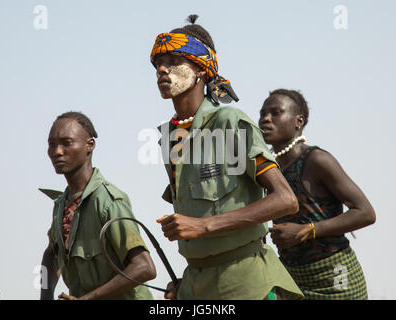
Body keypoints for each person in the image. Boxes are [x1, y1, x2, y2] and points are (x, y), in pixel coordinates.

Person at [151, 15, 303, 300]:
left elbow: (286, 200)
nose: (162, 69)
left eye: (173, 62)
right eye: (158, 63)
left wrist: (203, 226)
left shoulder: (229, 122)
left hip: (245, 282)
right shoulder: (170, 138)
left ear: (201, 69)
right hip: (195, 285)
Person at [259, 89, 376, 299]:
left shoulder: (316, 161)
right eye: (263, 113)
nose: (265, 119)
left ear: (298, 121)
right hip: (292, 278)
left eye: (276, 112)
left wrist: (307, 230)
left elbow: (366, 212)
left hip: (335, 276)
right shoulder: (269, 169)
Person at [40, 111, 155, 300]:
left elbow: (144, 267)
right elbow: (51, 254)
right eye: (51, 144)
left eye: (66, 143)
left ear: (89, 146)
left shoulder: (108, 201)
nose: (57, 151)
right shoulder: (62, 204)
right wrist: (45, 296)